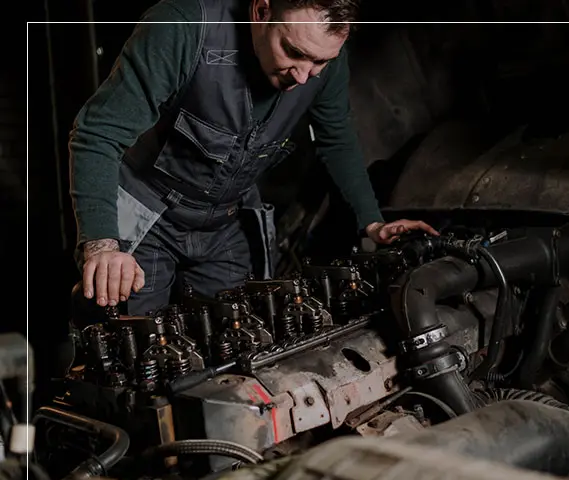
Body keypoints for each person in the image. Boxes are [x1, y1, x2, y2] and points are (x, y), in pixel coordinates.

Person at [69, 0, 438, 316]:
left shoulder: (322, 61)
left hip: (225, 224)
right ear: (261, 10)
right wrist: (102, 245)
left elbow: (337, 140)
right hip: (151, 218)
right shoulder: (182, 26)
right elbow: (97, 134)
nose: (303, 76)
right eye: (293, 52)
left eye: (320, 62)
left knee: (241, 343)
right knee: (138, 353)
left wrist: (372, 223)